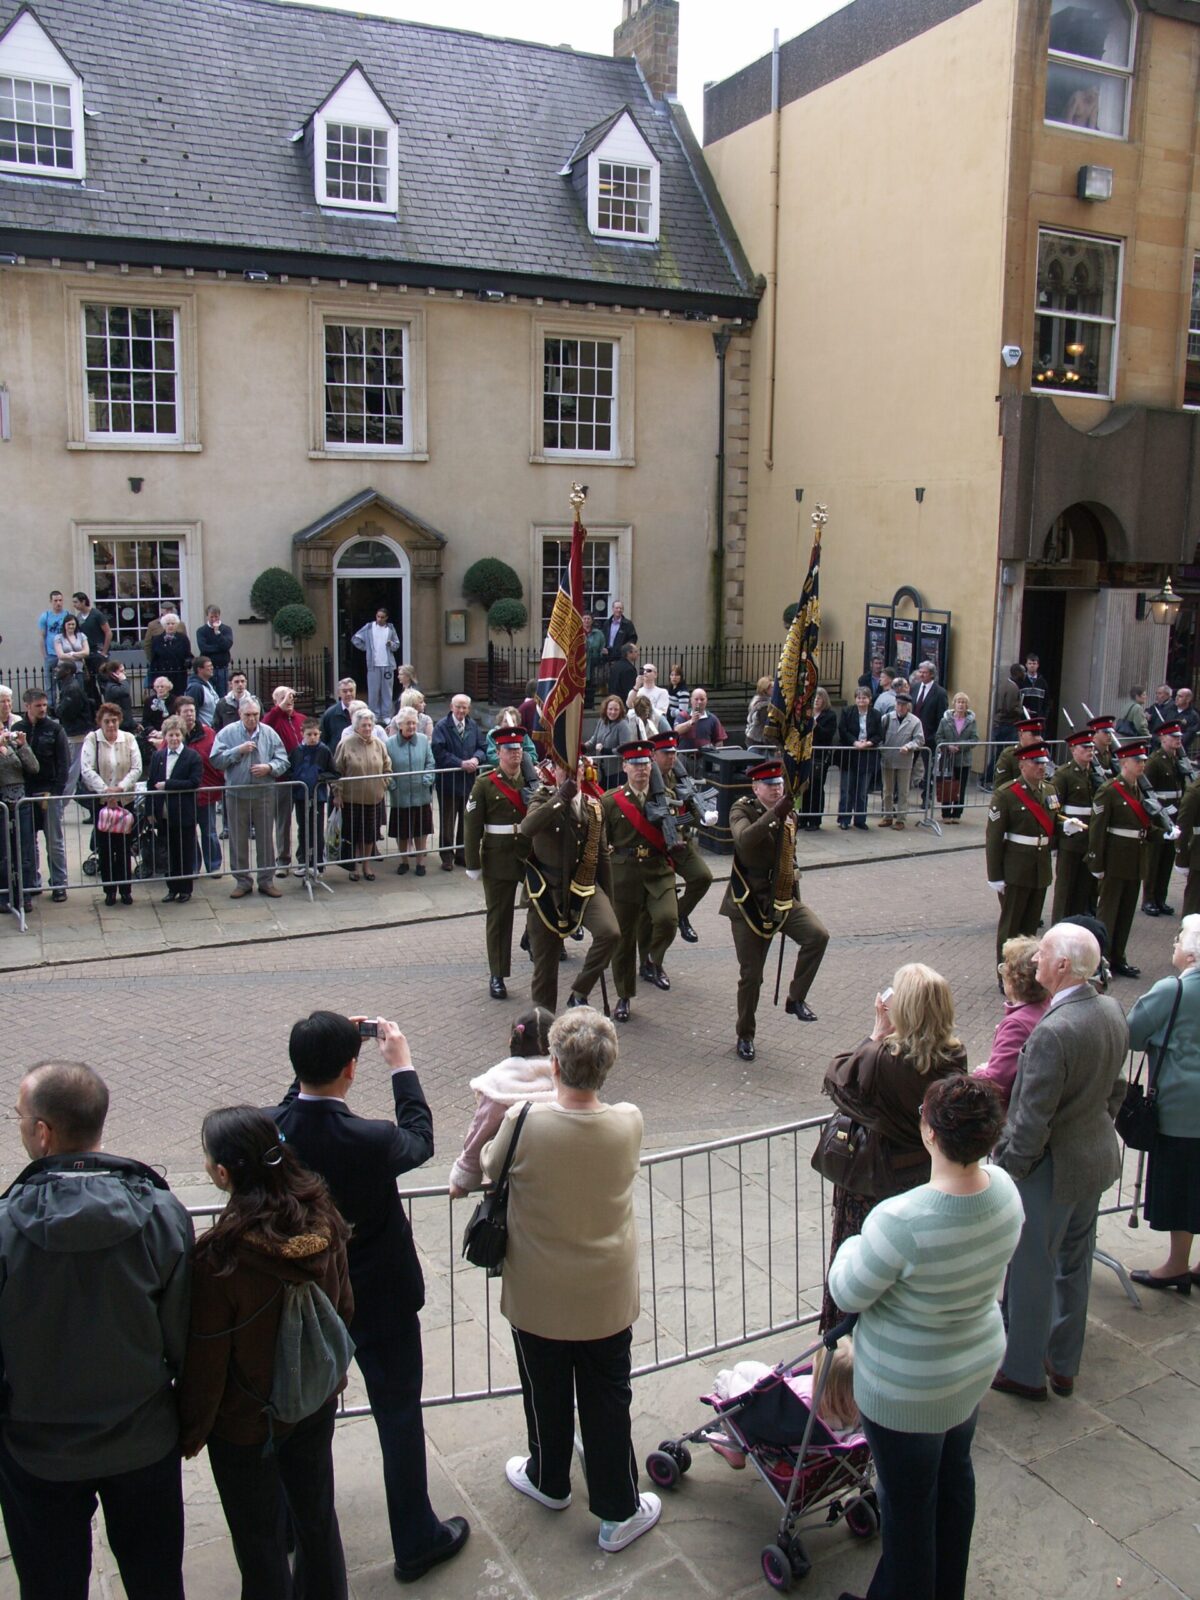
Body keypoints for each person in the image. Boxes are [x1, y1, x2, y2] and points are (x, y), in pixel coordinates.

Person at [271, 1011, 470, 1585]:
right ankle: (415, 1539)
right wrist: (402, 1066)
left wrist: (312, 1064)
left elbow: (295, 1103)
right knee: (398, 1413)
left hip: (306, 1299)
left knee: (302, 1419)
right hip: (378, 1294)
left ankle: (290, 1523)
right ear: (352, 1070)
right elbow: (421, 1140)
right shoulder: (371, 1139)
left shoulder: (272, 1133)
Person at [0, 1061, 193, 1600]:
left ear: (43, 1133)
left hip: (37, 1452)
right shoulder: (161, 1213)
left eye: (18, 1117)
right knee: (156, 1582)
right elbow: (181, 1333)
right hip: (143, 1441)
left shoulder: (4, 1226)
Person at [827, 1075, 1023, 1600]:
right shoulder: (1004, 1190)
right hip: (970, 1368)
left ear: (931, 1134)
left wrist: (851, 1246)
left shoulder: (901, 1219)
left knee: (908, 1513)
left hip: (908, 1390)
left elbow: (847, 1289)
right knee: (954, 1483)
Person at [482, 1005, 661, 1554]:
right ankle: (618, 1509)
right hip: (605, 1293)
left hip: (537, 1291)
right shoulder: (628, 1120)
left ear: (553, 1065)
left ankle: (548, 1477)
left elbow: (490, 1167)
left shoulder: (524, 1122)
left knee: (545, 1388)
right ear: (606, 1067)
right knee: (608, 1398)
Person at [178, 1106, 353, 1600]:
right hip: (314, 1403)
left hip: (245, 1425)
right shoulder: (325, 1218)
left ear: (223, 1173)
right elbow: (343, 1307)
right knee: (317, 1519)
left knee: (259, 1542)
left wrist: (190, 1430)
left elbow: (208, 1361)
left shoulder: (220, 1259)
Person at [992, 922, 1128, 1401]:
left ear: (1063, 967)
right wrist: (1090, 1125)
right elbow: (1115, 1091)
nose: (1035, 961)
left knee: (1031, 1270)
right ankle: (1064, 1363)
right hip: (1093, 1158)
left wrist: (1010, 1169)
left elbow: (1031, 1119)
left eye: (1043, 953)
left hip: (1051, 1168)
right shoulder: (1111, 1008)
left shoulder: (1053, 1030)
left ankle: (1024, 1371)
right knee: (1075, 1264)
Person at [819, 963, 968, 1329]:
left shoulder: (885, 1059)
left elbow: (838, 1080)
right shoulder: (955, 1056)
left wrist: (875, 1034)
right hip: (923, 1175)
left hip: (875, 1183)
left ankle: (846, 1339)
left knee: (862, 1265)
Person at [720, 758, 829, 1061]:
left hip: (781, 897)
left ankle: (796, 998)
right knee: (751, 975)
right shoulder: (741, 809)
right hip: (748, 902)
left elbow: (788, 854)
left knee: (817, 935)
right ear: (756, 787)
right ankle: (745, 1033)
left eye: (779, 784)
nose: (777, 788)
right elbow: (744, 840)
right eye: (770, 785)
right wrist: (775, 813)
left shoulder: (788, 812)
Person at [1121, 917, 1200, 1292]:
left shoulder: (1173, 990)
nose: (1173, 944)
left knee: (1180, 1184)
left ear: (1191, 952)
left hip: (1181, 1106)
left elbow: (1133, 1034)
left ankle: (1176, 1264)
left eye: (1179, 938)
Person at [521, 751, 620, 1012]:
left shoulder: (592, 805)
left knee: (610, 932)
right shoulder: (543, 797)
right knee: (545, 968)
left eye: (573, 769)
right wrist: (560, 797)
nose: (568, 774)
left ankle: (579, 992)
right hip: (547, 891)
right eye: (562, 768)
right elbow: (527, 827)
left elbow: (601, 857)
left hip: (584, 885)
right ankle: (544, 1031)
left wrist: (609, 899)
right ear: (554, 770)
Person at [985, 740, 1084, 962]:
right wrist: (995, 876)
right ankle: (1006, 972)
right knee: (1011, 927)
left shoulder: (1049, 790)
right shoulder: (1007, 794)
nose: (1042, 767)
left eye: (1043, 762)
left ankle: (1027, 971)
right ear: (1022, 765)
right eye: (1036, 763)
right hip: (1016, 869)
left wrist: (1064, 826)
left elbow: (1050, 821)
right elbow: (993, 838)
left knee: (1030, 928)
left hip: (1040, 868)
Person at [602, 739, 679, 1021]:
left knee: (669, 920)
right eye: (635, 765)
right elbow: (600, 843)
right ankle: (624, 996)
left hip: (658, 872)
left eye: (646, 764)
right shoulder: (611, 801)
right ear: (624, 767)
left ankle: (652, 960)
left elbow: (679, 833)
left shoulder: (666, 796)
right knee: (623, 940)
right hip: (624, 874)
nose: (641, 770)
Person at [447, 1006, 555, 1196]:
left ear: (512, 1039)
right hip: (556, 1179)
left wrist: (462, 1180)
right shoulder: (566, 1080)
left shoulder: (499, 1084)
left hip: (510, 1184)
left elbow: (479, 1134)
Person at [1087, 741, 1172, 978]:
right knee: (1107, 914)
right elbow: (1098, 830)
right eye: (1138, 761)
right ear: (1124, 762)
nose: (1142, 764)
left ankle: (1117, 958)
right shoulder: (1110, 790)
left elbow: (1145, 827)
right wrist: (1096, 863)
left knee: (1125, 914)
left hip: (1135, 861)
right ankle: (1097, 962)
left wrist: (1164, 834)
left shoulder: (1140, 790)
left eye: (1144, 760)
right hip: (1114, 861)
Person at [465, 726, 532, 999]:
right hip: (498, 856)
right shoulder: (485, 782)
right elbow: (472, 827)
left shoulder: (533, 779)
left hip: (529, 853)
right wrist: (473, 864)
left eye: (518, 749)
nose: (515, 754)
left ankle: (533, 940)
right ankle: (498, 974)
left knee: (543, 904)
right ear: (499, 753)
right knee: (499, 917)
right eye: (509, 750)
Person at [210, 697, 289, 899]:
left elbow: (283, 759)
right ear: (240, 714)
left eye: (255, 714)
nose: (252, 719)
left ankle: (266, 881)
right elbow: (216, 760)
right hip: (237, 794)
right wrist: (238, 751)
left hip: (264, 793)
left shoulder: (269, 733)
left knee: (265, 837)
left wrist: (269, 767)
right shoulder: (227, 733)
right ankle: (242, 881)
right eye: (248, 715)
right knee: (238, 839)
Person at [647, 730, 713, 943]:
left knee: (703, 876)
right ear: (654, 755)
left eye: (674, 753)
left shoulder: (679, 776)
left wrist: (703, 816)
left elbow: (689, 808)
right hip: (655, 845)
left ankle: (682, 913)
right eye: (666, 753)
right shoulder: (645, 777)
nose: (671, 757)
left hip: (680, 841)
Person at [973, 935, 1049, 1112]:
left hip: (1015, 1113)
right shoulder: (1047, 1004)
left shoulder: (1016, 1024)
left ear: (1015, 979)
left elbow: (996, 1082)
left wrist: (980, 1072)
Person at [80, 702, 142, 905]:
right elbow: (87, 769)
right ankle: (109, 891)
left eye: (114, 720)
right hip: (103, 802)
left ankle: (126, 890)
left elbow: (136, 768)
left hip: (125, 801)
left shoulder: (129, 738)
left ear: (120, 720)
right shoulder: (92, 739)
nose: (111, 725)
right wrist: (106, 792)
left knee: (124, 847)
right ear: (100, 722)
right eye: (107, 721)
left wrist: (121, 788)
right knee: (106, 849)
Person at [14, 687, 70, 904]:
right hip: (26, 793)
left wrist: (56, 792)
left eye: (45, 705)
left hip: (49, 790)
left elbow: (64, 763)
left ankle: (59, 884)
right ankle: (33, 882)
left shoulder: (55, 729)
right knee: (29, 842)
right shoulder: (18, 728)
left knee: (54, 841)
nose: (43, 709)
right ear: (27, 706)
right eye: (38, 706)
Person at [333, 706, 391, 881]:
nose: (367, 728)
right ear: (356, 726)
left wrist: (383, 785)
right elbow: (337, 771)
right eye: (364, 725)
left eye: (369, 725)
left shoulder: (379, 744)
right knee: (354, 834)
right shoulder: (345, 744)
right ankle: (355, 866)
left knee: (369, 834)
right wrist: (337, 794)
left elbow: (388, 768)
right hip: (352, 799)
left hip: (373, 798)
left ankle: (366, 864)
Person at [148, 715, 201, 902]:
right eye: (170, 735)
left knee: (184, 852)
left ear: (183, 735)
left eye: (177, 735)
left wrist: (168, 785)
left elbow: (194, 782)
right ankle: (171, 888)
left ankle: (185, 889)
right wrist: (150, 811)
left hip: (183, 812)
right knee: (168, 853)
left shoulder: (191, 756)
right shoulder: (158, 756)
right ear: (165, 736)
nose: (174, 739)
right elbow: (150, 784)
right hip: (163, 814)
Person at [432, 693, 484, 870]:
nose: (461, 710)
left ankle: (463, 854)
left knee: (466, 819)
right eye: (458, 706)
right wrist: (460, 763)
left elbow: (482, 747)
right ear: (451, 707)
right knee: (447, 821)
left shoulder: (473, 725)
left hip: (468, 782)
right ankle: (447, 856)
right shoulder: (441, 726)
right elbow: (439, 752)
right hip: (448, 782)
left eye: (464, 707)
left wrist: (476, 759)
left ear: (468, 709)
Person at [1050, 730, 1097, 920]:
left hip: (1089, 838)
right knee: (1065, 887)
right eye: (1085, 747)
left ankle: (1077, 923)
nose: (1090, 751)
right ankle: (1060, 923)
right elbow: (1054, 809)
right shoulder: (1063, 774)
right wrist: (1054, 842)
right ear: (1073, 750)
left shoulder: (1094, 773)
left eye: (1092, 747)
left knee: (1083, 887)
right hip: (1070, 839)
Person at [1142, 720, 1187, 916]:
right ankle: (1149, 899)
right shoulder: (1154, 761)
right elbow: (1147, 792)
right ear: (1162, 738)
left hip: (1175, 814)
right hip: (1159, 816)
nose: (1178, 740)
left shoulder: (1176, 759)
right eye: (1173, 737)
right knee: (1154, 860)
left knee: (1167, 859)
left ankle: (1160, 897)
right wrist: (1160, 811)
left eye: (1179, 737)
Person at [176, 696, 223, 877]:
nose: (189, 715)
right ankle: (193, 866)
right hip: (184, 793)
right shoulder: (174, 734)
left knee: (209, 831)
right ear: (177, 714)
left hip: (206, 791)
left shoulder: (209, 733)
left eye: (192, 711)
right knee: (189, 833)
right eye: (185, 712)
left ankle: (214, 865)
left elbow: (216, 758)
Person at [386, 706, 434, 875]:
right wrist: (392, 786)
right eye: (408, 723)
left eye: (414, 723)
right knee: (402, 832)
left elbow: (430, 762)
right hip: (401, 795)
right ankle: (404, 860)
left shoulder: (422, 740)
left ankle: (420, 862)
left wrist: (427, 779)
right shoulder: (389, 743)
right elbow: (386, 768)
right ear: (400, 725)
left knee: (421, 831)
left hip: (421, 794)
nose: (412, 727)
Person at [263, 684, 305, 876]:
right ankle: (283, 860)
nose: (289, 701)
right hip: (282, 778)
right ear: (275, 702)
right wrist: (280, 707)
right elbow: (265, 723)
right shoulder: (273, 720)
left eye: (291, 698)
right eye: (283, 698)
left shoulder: (301, 719)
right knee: (283, 821)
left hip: (302, 778)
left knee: (305, 820)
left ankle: (304, 858)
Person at [0, 716, 38, 915]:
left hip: (20, 804)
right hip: (2, 806)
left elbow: (33, 767)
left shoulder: (14, 747)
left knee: (24, 852)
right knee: (4, 854)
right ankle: (5, 895)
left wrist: (23, 746)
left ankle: (25, 895)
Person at [288, 717, 335, 876]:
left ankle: (318, 864)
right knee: (303, 829)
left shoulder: (324, 750)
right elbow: (290, 770)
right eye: (309, 734)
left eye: (315, 734)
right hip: (301, 797)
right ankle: (304, 862)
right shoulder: (297, 751)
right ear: (302, 734)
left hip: (317, 797)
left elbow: (334, 772)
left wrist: (321, 778)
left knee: (316, 830)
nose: (313, 737)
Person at [836, 687, 883, 830]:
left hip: (867, 756)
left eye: (864, 698)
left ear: (869, 699)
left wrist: (869, 743)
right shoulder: (847, 712)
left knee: (862, 791)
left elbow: (879, 734)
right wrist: (854, 742)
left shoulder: (875, 714)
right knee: (847, 788)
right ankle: (844, 819)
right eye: (859, 698)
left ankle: (860, 819)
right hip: (850, 755)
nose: (861, 700)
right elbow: (843, 730)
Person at [877, 688, 923, 829]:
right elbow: (879, 736)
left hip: (905, 760)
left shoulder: (915, 721)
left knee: (903, 791)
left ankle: (901, 819)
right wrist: (882, 750)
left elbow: (919, 739)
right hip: (888, 759)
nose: (900, 707)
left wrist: (909, 746)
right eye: (898, 704)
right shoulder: (887, 718)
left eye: (903, 705)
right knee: (887, 790)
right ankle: (887, 816)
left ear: (908, 706)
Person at [932, 691, 978, 822]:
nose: (961, 705)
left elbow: (974, 739)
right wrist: (947, 746)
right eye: (959, 702)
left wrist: (960, 746)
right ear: (954, 704)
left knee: (960, 788)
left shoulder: (971, 721)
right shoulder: (945, 720)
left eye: (963, 702)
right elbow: (938, 737)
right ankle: (946, 813)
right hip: (948, 760)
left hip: (963, 760)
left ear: (967, 705)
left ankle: (957, 814)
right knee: (947, 786)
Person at [351, 607, 401, 721]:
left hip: (387, 664)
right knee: (373, 691)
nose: (379, 619)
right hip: (373, 665)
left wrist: (391, 644)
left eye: (382, 617)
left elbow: (397, 645)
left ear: (386, 618)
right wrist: (366, 648)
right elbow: (355, 639)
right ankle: (374, 714)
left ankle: (386, 715)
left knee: (387, 691)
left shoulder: (391, 628)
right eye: (378, 616)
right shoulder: (369, 627)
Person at [799, 686, 837, 829]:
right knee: (804, 787)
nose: (816, 701)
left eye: (819, 698)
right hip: (804, 755)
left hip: (819, 756)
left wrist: (816, 726)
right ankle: (803, 817)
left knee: (816, 787)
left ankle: (815, 820)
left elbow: (827, 735)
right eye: (814, 698)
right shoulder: (806, 713)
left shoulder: (830, 716)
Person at [910, 661, 947, 802]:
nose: (921, 674)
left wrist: (935, 736)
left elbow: (941, 718)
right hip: (913, 735)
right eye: (920, 672)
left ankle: (927, 797)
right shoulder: (915, 688)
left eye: (924, 672)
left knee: (929, 769)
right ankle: (899, 795)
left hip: (929, 737)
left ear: (931, 674)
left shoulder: (940, 693)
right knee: (908, 766)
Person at [985, 662, 1027, 786]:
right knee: (1003, 755)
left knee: (999, 754)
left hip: (1001, 724)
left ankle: (988, 779)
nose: (1024, 674)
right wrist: (1021, 710)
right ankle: (988, 779)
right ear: (1017, 673)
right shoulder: (1013, 688)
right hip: (1007, 725)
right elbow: (1010, 708)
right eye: (1023, 672)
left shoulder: (1004, 684)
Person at [70, 591, 111, 686]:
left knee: (103, 680)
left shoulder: (96, 614)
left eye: (76, 602)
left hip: (98, 651)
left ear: (83, 601)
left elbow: (108, 632)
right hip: (87, 652)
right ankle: (95, 701)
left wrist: (104, 652)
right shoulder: (79, 617)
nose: (74, 605)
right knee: (89, 683)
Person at [588, 693, 628, 786]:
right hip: (601, 772)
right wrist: (581, 747)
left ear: (620, 710)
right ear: (605, 709)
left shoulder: (623, 725)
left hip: (616, 773)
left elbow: (624, 748)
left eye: (616, 709)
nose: (613, 712)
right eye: (610, 709)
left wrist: (605, 750)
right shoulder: (601, 721)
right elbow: (593, 741)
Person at [148, 613, 192, 698]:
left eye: (173, 623)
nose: (170, 626)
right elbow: (154, 659)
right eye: (168, 624)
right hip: (163, 674)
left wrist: (188, 662)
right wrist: (153, 680)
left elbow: (188, 655)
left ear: (177, 625)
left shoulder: (183, 639)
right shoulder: (157, 639)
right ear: (164, 625)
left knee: (178, 699)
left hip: (179, 675)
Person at [36, 588, 69, 701]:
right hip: (50, 654)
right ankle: (51, 707)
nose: (58, 603)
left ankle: (64, 706)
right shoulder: (46, 616)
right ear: (51, 601)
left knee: (64, 683)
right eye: (55, 600)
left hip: (64, 655)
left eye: (60, 600)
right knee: (50, 685)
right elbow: (42, 636)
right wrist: (45, 655)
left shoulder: (67, 615)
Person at [1175, 773, 1200, 916]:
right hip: (1198, 856)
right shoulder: (1195, 792)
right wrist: (1181, 860)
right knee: (1193, 910)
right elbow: (1182, 827)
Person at [195, 604, 234, 694]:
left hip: (222, 667)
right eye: (211, 617)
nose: (213, 619)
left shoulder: (226, 629)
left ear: (219, 616)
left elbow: (227, 645)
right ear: (207, 616)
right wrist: (220, 648)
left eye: (216, 617)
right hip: (207, 668)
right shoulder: (201, 631)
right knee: (209, 693)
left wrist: (218, 633)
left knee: (222, 694)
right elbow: (203, 648)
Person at [674, 686, 726, 752]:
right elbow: (676, 731)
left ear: (706, 701)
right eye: (696, 699)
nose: (699, 702)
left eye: (702, 699)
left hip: (705, 758)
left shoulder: (712, 719)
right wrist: (691, 721)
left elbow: (719, 740)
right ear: (691, 700)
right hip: (685, 756)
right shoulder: (683, 715)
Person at [97, 659, 135, 731]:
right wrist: (124, 680)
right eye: (121, 671)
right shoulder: (111, 687)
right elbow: (125, 691)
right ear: (113, 673)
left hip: (127, 723)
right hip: (120, 724)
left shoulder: (119, 685)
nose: (124, 673)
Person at [184, 654, 221, 729]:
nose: (212, 668)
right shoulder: (195, 688)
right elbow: (193, 711)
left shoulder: (207, 683)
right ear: (199, 669)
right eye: (209, 666)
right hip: (204, 729)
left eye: (212, 666)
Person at [320, 677, 358, 747]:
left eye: (351, 690)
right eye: (345, 691)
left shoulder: (363, 711)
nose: (348, 694)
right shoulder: (330, 714)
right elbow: (323, 739)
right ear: (339, 693)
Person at [212, 668, 252, 733]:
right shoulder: (222, 704)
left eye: (242, 681)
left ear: (246, 683)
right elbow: (216, 726)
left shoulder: (254, 702)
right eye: (236, 682)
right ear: (230, 684)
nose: (240, 684)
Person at [582, 613, 605, 709]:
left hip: (594, 663)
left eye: (589, 619)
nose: (587, 621)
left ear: (592, 621)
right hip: (581, 664)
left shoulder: (598, 634)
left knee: (591, 686)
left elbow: (602, 646)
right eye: (585, 618)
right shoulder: (577, 633)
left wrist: (602, 652)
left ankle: (590, 705)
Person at [745, 675, 773, 746]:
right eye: (772, 688)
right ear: (765, 689)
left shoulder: (757, 699)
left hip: (752, 737)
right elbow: (766, 724)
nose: (774, 689)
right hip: (758, 740)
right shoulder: (763, 706)